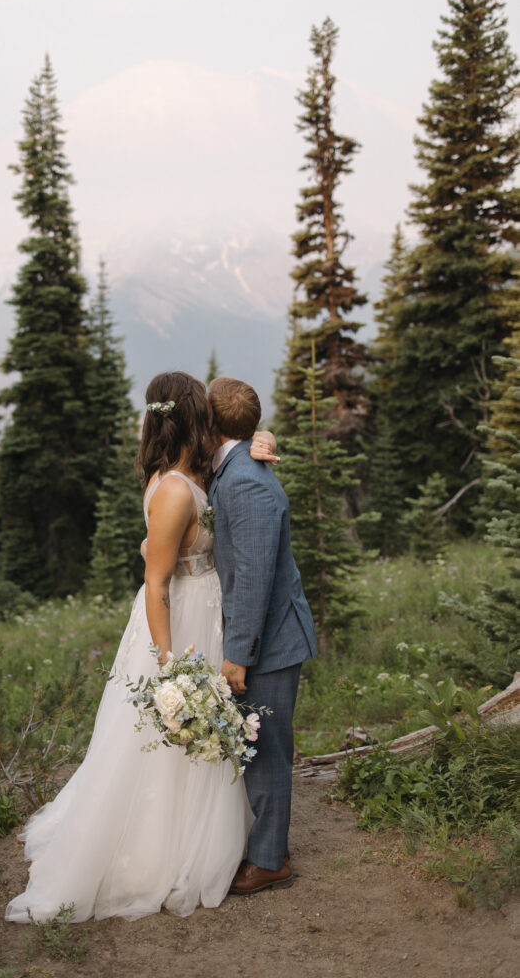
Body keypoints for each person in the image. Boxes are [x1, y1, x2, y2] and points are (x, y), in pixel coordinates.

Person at [5, 371, 277, 924]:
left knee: (195, 738)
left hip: (206, 611)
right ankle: (161, 849)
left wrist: (260, 444)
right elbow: (156, 585)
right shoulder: (174, 490)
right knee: (170, 734)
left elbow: (232, 465)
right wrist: (169, 665)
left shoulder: (186, 471)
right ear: (189, 417)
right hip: (178, 622)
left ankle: (203, 830)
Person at [207, 376, 317, 895]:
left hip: (269, 639)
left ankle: (271, 859)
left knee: (266, 748)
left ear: (211, 424)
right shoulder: (237, 465)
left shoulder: (245, 480)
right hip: (266, 635)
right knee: (258, 745)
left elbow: (253, 578)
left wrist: (237, 656)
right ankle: (268, 845)